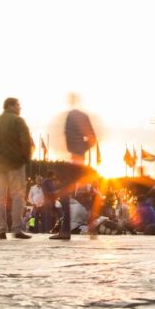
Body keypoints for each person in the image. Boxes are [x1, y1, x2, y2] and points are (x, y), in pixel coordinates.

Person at [0, 97, 34, 240]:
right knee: (18, 196)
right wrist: (25, 158)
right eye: (18, 105)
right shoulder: (18, 121)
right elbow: (26, 141)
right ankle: (16, 229)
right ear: (10, 106)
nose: (20, 108)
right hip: (15, 164)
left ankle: (1, 230)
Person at [51, 95, 99, 241]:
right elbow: (92, 138)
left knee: (66, 192)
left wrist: (78, 149)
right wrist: (83, 149)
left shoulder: (73, 116)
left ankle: (66, 231)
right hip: (78, 158)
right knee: (82, 194)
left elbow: (87, 137)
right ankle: (91, 226)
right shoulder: (81, 116)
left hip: (76, 158)